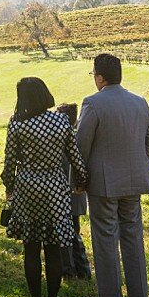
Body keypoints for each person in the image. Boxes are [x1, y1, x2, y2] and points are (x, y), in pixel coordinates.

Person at [76, 52, 149, 297]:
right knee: (133, 236)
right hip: (133, 180)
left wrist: (78, 180)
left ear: (99, 77)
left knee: (105, 239)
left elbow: (81, 146)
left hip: (104, 183)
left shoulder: (93, 103)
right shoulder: (140, 102)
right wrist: (141, 163)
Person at [3, 77, 87, 297]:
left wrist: (9, 185)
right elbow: (75, 156)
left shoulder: (17, 125)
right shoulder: (61, 121)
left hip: (28, 186)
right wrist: (81, 180)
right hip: (54, 186)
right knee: (53, 248)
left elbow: (9, 162)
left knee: (31, 248)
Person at [56, 102, 93, 280]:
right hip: (77, 195)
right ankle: (83, 270)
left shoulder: (62, 142)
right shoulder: (79, 138)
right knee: (74, 232)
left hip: (64, 195)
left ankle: (69, 270)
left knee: (64, 234)